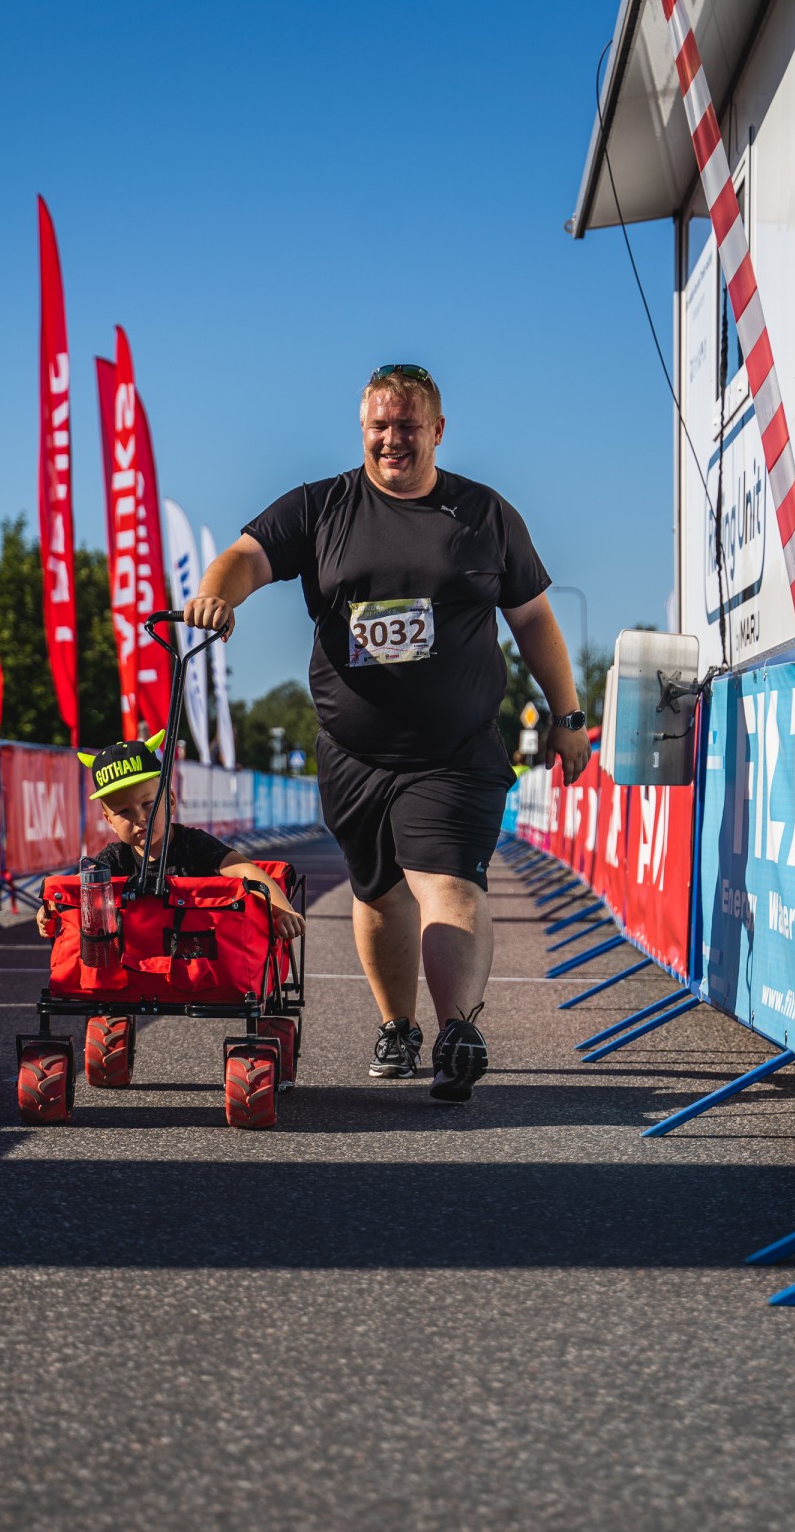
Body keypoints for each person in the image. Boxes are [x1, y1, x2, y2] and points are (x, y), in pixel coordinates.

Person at [182, 363, 590, 1102]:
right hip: (355, 755)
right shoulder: (322, 507)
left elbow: (532, 618)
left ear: (438, 430)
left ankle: (457, 1032)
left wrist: (566, 716)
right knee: (377, 893)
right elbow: (245, 556)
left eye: (408, 426)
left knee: (448, 880)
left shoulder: (485, 514)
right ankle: (398, 1026)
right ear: (363, 429)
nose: (393, 439)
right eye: (380, 426)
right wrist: (216, 595)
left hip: (456, 751)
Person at [36, 730, 305, 940]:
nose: (140, 818)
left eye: (148, 804)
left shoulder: (194, 844)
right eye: (124, 812)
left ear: (171, 801)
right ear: (109, 822)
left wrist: (281, 911)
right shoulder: (113, 858)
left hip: (197, 957)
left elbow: (245, 870)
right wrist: (48, 910)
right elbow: (72, 890)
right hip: (138, 963)